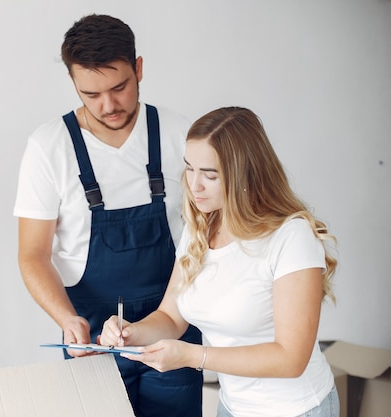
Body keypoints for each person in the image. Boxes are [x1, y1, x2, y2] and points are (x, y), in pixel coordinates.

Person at [14, 13, 202, 417]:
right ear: (74, 83)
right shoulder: (49, 147)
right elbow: (32, 254)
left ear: (138, 68)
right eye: (91, 94)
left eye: (119, 88)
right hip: (93, 335)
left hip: (173, 325)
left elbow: (208, 230)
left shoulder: (178, 134)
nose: (109, 105)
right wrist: (68, 319)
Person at [99, 106, 340, 417]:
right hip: (233, 407)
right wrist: (130, 332)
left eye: (209, 174)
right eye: (189, 168)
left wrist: (192, 356)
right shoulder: (200, 227)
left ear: (245, 174)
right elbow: (171, 318)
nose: (194, 185)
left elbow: (290, 358)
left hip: (295, 409)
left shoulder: (291, 238)